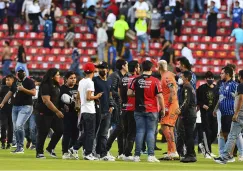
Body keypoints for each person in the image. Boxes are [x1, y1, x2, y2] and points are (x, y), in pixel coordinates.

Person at [127, 60, 165, 162]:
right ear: (151, 68)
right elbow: (160, 96)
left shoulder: (136, 80)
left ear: (142, 68)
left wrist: (139, 95)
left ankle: (137, 156)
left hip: (138, 109)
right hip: (151, 109)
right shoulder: (155, 80)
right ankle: (150, 155)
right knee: (150, 132)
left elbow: (129, 93)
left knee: (140, 131)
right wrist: (163, 109)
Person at [0, 66, 36, 153]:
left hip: (26, 106)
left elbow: (33, 93)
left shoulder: (29, 81)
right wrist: (2, 103)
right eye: (18, 72)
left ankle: (21, 147)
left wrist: (23, 89)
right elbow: (9, 93)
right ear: (16, 74)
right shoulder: (15, 83)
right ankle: (19, 147)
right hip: (15, 107)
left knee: (19, 125)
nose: (20, 74)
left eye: (21, 72)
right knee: (16, 127)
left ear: (24, 73)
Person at [213, 66, 243, 158]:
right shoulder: (222, 85)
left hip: (231, 112)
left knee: (232, 134)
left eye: (222, 73)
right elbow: (220, 98)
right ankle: (228, 154)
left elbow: (239, 98)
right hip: (223, 112)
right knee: (224, 133)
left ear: (227, 74)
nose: (220, 75)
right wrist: (216, 108)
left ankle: (231, 155)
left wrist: (236, 112)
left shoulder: (235, 85)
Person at [75, 63, 103, 160]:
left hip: (83, 110)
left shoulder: (81, 81)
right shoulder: (90, 83)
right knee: (91, 133)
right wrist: (97, 96)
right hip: (90, 110)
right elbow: (88, 97)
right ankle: (88, 153)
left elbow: (78, 97)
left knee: (87, 132)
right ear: (93, 71)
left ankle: (75, 148)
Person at [35, 68, 64, 159]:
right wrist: (57, 111)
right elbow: (46, 101)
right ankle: (39, 152)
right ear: (52, 76)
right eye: (57, 75)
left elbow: (56, 99)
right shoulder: (45, 85)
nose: (59, 77)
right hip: (44, 112)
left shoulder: (56, 85)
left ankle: (50, 148)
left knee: (60, 130)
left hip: (53, 113)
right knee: (43, 132)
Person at [158, 60, 180, 160]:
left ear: (160, 67)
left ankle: (174, 151)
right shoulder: (167, 74)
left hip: (170, 105)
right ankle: (171, 151)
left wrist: (167, 106)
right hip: (172, 104)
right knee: (169, 128)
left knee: (164, 126)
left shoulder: (166, 76)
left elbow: (173, 90)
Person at [93, 61, 115, 161]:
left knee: (104, 133)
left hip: (107, 110)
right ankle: (90, 151)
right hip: (97, 110)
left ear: (107, 69)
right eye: (100, 68)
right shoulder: (94, 80)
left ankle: (102, 153)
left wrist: (111, 104)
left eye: (103, 68)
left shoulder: (109, 81)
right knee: (94, 133)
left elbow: (110, 94)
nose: (101, 70)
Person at [106, 59, 128, 159]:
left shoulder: (126, 76)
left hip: (123, 104)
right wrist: (120, 96)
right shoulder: (114, 76)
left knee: (121, 128)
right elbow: (110, 90)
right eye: (126, 64)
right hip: (115, 104)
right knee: (120, 127)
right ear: (123, 66)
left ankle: (121, 153)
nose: (127, 66)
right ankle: (106, 148)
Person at [119, 60, 140, 161]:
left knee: (126, 132)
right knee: (132, 132)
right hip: (132, 108)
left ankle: (123, 152)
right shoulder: (136, 79)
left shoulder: (123, 79)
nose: (139, 69)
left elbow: (119, 92)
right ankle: (128, 154)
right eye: (138, 67)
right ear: (135, 69)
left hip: (124, 107)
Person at [176, 71, 197, 163]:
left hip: (188, 114)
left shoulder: (186, 87)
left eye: (182, 76)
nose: (181, 78)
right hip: (191, 113)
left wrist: (179, 109)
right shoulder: (190, 87)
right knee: (189, 135)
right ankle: (191, 153)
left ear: (187, 78)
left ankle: (190, 155)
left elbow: (186, 101)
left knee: (188, 135)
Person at [197, 71, 218, 158]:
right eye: (209, 78)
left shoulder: (217, 88)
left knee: (215, 131)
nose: (211, 80)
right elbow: (197, 100)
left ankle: (202, 144)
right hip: (205, 112)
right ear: (205, 79)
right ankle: (207, 152)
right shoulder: (201, 88)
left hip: (214, 113)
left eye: (212, 78)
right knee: (207, 132)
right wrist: (202, 105)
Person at [60, 71, 79, 159]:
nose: (73, 80)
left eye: (74, 78)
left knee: (76, 133)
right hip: (67, 114)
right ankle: (65, 152)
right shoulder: (62, 88)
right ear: (66, 79)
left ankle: (73, 150)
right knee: (67, 133)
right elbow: (59, 101)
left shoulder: (78, 87)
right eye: (71, 78)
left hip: (77, 114)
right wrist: (63, 106)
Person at [25, 76, 42, 150]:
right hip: (25, 110)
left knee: (32, 128)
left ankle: (34, 144)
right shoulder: (25, 89)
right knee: (25, 129)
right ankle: (29, 140)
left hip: (34, 111)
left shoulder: (39, 89)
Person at [0, 75, 15, 149]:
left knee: (11, 127)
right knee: (3, 126)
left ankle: (9, 143)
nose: (7, 81)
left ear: (13, 80)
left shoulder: (16, 88)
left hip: (13, 110)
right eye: (6, 80)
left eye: (9, 80)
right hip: (4, 110)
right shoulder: (3, 88)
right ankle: (3, 142)